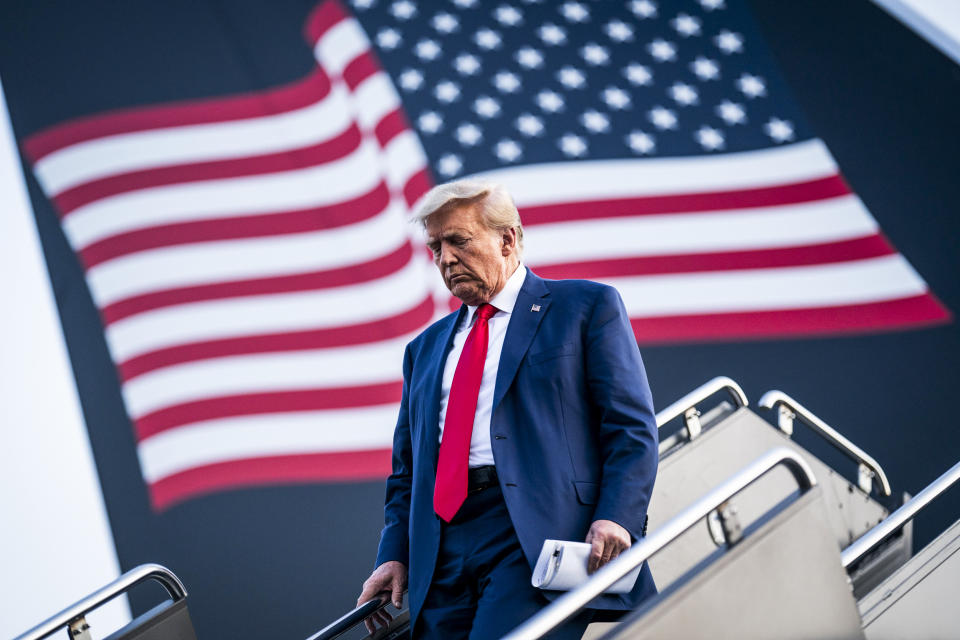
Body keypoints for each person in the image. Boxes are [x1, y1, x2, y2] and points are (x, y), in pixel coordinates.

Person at [357, 179, 658, 639]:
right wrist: (392, 553)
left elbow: (630, 427)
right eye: (436, 247)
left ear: (508, 239)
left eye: (458, 240)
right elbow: (407, 471)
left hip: (533, 531)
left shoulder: (585, 307)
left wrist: (617, 514)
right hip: (440, 543)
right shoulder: (424, 348)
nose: (446, 259)